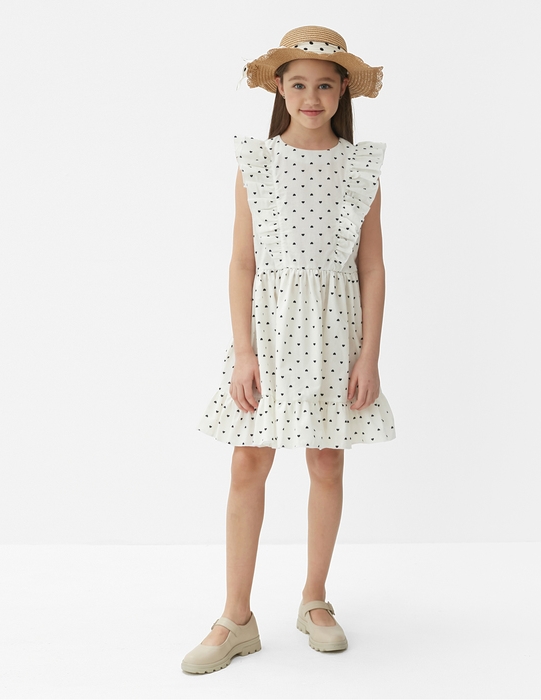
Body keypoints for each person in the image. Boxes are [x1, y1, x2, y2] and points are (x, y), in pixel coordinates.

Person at [181, 26, 396, 675]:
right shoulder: (259, 163)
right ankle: (235, 616)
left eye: (324, 85)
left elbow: (372, 267)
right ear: (279, 88)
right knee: (249, 461)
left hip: (335, 336)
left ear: (343, 91)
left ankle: (314, 599)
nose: (311, 97)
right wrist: (244, 352)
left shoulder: (360, 167)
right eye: (298, 84)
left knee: (326, 462)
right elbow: (242, 263)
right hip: (269, 337)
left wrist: (369, 355)